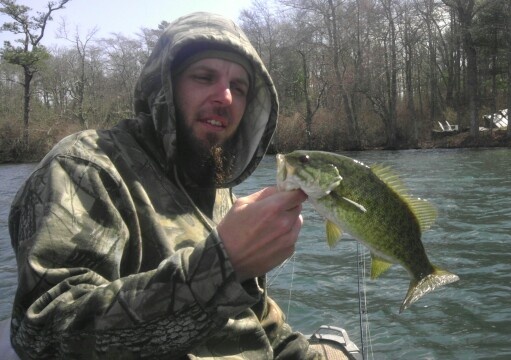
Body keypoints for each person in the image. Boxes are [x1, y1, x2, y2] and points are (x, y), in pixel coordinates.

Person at [8, 12, 322, 359]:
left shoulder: (217, 190)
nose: (226, 97)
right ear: (165, 87)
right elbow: (46, 334)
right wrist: (223, 265)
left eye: (239, 87)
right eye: (204, 77)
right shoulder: (85, 168)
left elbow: (258, 323)